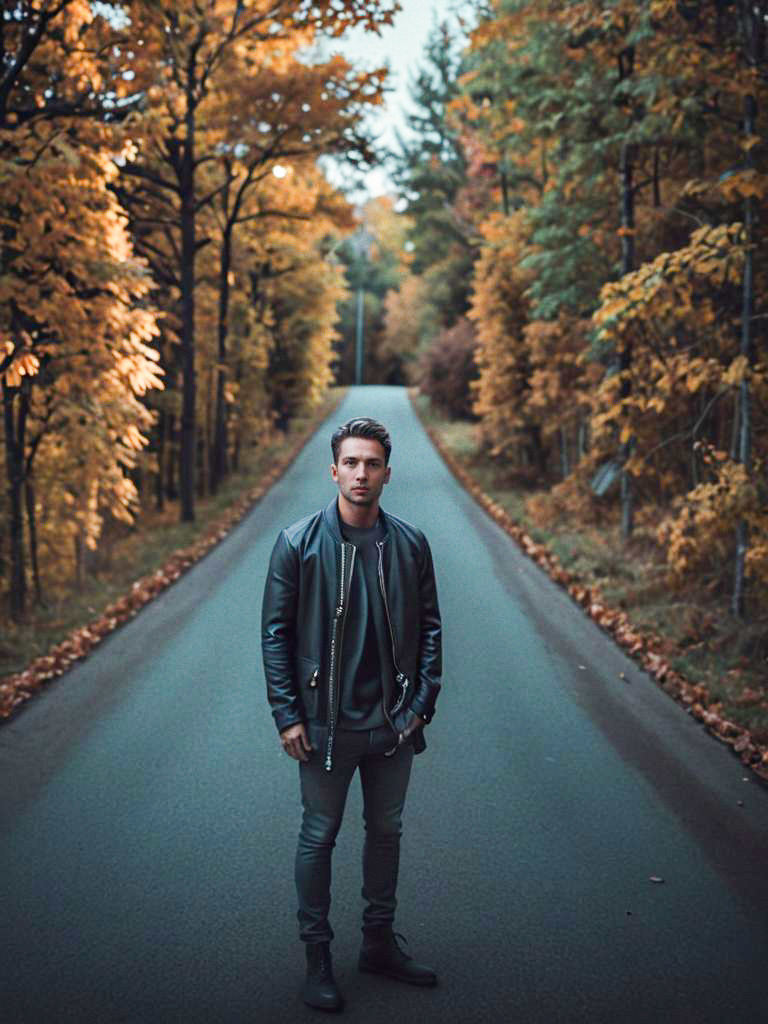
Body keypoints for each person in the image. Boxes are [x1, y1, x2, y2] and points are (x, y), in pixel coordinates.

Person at [261, 416, 442, 1012]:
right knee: (320, 834)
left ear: (388, 473)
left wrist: (420, 706)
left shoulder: (411, 543)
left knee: (386, 832)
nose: (361, 474)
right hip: (324, 726)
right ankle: (318, 957)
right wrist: (288, 716)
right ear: (333, 470)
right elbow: (275, 634)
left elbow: (432, 629)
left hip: (391, 725)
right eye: (351, 463)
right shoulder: (297, 543)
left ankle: (378, 945)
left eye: (372, 464)